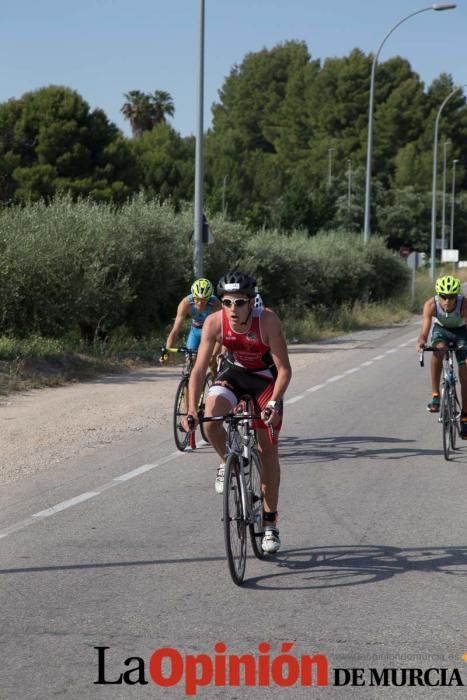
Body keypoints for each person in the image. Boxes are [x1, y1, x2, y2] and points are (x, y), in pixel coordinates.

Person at [182, 271, 292, 554]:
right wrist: (190, 410)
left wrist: (273, 403)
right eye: (227, 302)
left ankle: (270, 524)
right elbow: (197, 371)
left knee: (267, 449)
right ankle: (227, 463)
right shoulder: (213, 322)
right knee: (211, 421)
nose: (233, 309)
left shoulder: (267, 320)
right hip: (235, 374)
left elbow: (284, 370)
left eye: (239, 302)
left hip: (266, 382)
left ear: (251, 301)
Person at [416, 274, 467, 437]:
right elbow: (424, 332)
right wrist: (421, 341)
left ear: (456, 296)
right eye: (443, 296)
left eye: (451, 297)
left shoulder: (464, 305)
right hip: (442, 331)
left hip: (461, 333)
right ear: (439, 295)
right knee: (438, 350)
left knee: (465, 370)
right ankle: (436, 395)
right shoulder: (431, 305)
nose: (447, 301)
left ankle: (465, 416)